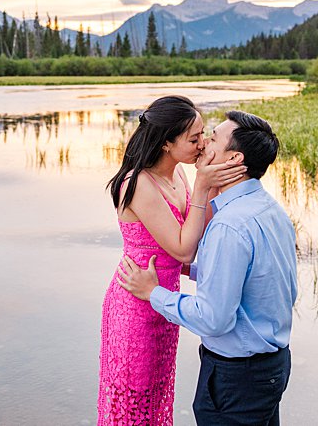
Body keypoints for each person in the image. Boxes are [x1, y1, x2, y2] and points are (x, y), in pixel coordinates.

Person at [118, 111, 296, 426]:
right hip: (272, 366)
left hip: (239, 376)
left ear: (234, 158)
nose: (203, 146)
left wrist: (153, 293)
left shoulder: (230, 225)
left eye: (213, 138)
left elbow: (214, 319)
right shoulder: (269, 210)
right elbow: (262, 278)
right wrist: (195, 271)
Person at [99, 95, 244, 425]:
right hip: (135, 304)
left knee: (157, 390)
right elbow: (183, 250)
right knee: (133, 398)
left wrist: (216, 184)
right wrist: (204, 186)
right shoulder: (136, 184)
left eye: (203, 134)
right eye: (194, 139)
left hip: (163, 300)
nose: (202, 143)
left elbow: (198, 232)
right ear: (166, 142)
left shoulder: (177, 174)